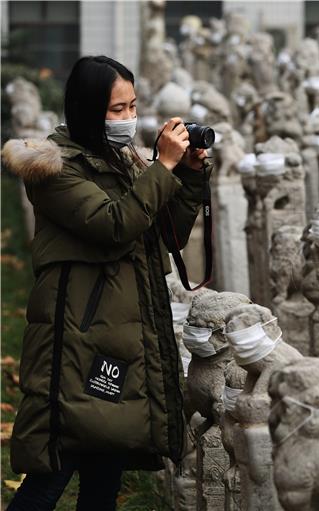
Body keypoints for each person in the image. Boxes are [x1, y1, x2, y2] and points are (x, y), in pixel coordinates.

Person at [1, 56, 208, 510]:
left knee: (103, 476)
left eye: (133, 106)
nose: (128, 118)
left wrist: (189, 175)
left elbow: (163, 232)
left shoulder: (120, 158)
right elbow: (114, 225)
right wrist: (162, 169)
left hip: (124, 334)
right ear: (87, 108)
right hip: (77, 336)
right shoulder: (54, 168)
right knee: (53, 472)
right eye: (117, 109)